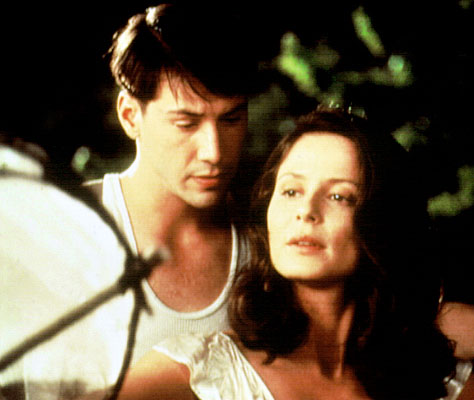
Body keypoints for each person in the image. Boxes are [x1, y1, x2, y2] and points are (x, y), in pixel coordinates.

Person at [1, 3, 271, 399]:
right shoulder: (55, 236)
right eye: (186, 123)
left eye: (231, 119)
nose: (214, 151)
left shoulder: (273, 243)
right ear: (130, 116)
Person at [113, 106, 457, 399]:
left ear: (384, 222)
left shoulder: (423, 378)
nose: (306, 211)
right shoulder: (198, 369)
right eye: (291, 191)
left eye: (339, 196)